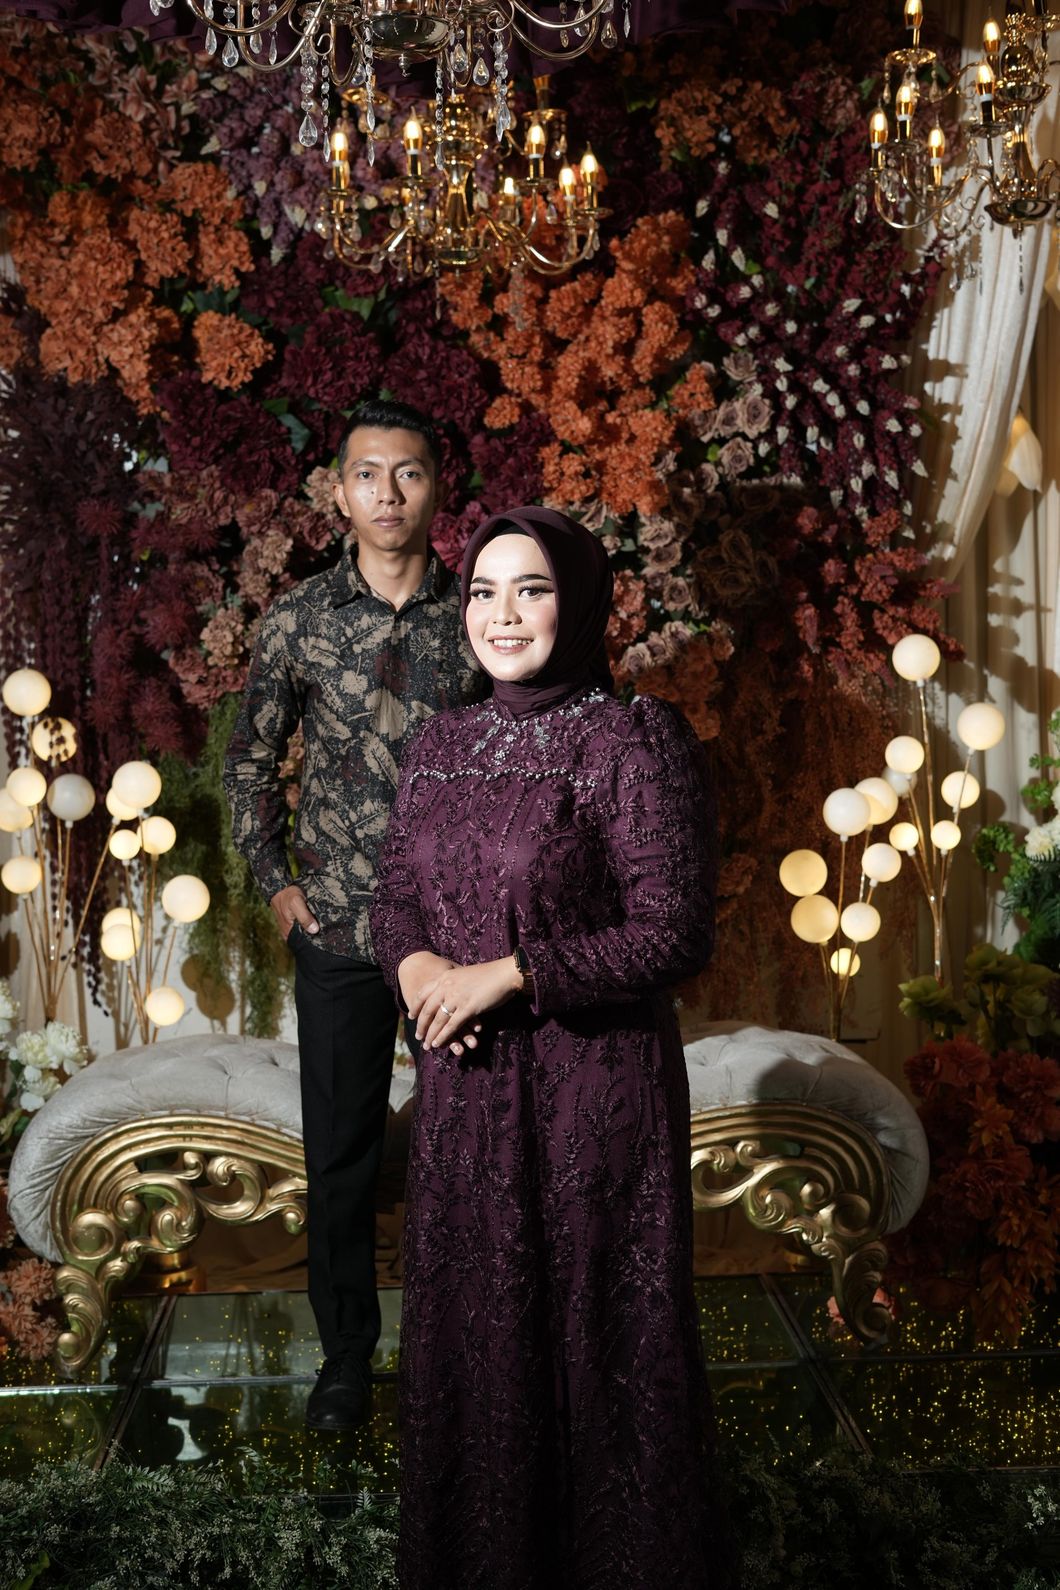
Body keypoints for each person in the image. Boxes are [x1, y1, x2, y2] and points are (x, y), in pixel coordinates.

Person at [369, 507, 724, 1589]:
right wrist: (417, 971)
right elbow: (395, 896)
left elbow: (674, 932)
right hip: (466, 1098)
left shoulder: (630, 738)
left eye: (532, 589)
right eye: (483, 591)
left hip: (593, 1101)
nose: (503, 615)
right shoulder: (441, 742)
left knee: (595, 1341)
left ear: (579, 601)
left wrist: (511, 973)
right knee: (477, 1338)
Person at [223, 397, 486, 1431]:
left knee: (468, 1153)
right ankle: (344, 1363)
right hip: (335, 927)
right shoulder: (298, 618)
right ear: (339, 492)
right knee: (338, 1157)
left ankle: (465, 1352)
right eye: (368, 474)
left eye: (408, 472)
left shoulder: (480, 611)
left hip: (457, 938)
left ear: (437, 488)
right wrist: (274, 885)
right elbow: (249, 759)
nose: (388, 492)